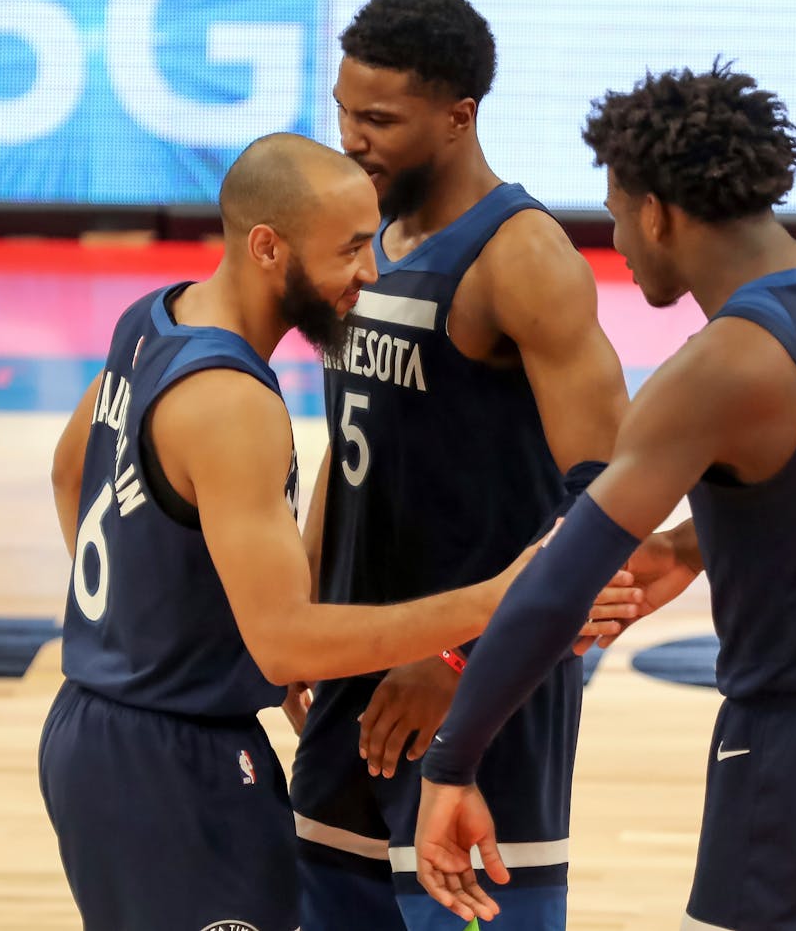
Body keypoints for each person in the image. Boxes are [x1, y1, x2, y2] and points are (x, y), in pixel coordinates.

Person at [415, 63, 796, 931]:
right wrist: (691, 545)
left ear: (657, 211)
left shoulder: (722, 365)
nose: (616, 241)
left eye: (612, 213)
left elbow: (562, 581)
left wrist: (452, 761)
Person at [37, 133, 621, 931]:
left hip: (94, 730)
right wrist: (490, 601)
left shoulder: (153, 319)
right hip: (176, 762)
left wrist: (157, 626)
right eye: (351, 248)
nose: (371, 271)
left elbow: (72, 469)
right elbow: (286, 646)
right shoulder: (234, 400)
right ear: (269, 247)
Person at [289, 0, 630, 930]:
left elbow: (610, 503)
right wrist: (301, 614)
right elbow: (351, 451)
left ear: (458, 116)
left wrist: (460, 659)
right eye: (345, 113)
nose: (352, 139)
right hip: (355, 681)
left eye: (380, 121)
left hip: (481, 700)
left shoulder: (522, 258)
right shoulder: (360, 246)